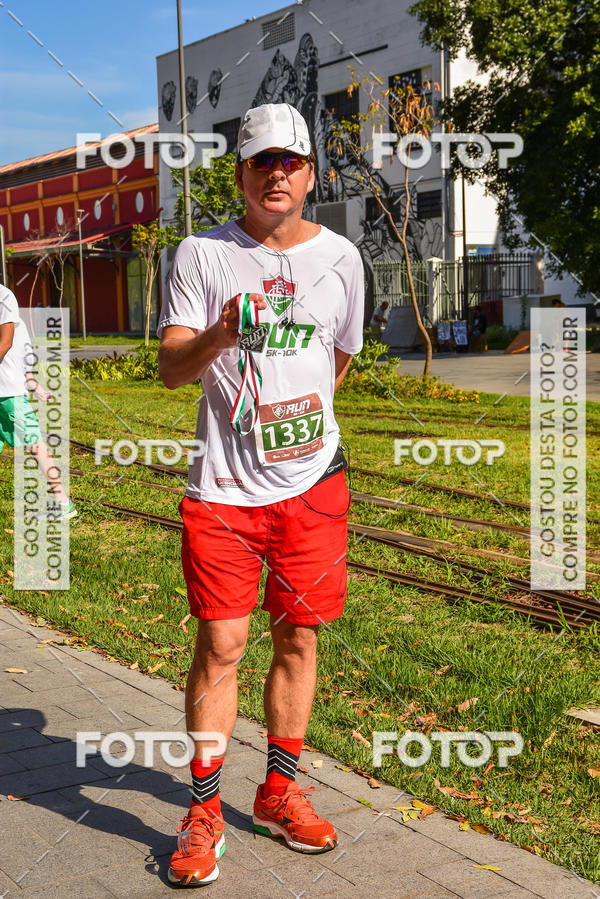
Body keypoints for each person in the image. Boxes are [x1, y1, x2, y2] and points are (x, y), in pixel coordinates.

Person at [157, 103, 364, 887]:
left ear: (311, 173)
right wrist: (220, 335)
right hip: (223, 490)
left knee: (299, 639)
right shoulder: (201, 255)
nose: (277, 173)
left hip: (313, 486)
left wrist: (297, 424)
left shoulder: (342, 257)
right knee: (221, 644)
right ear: (240, 173)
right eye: (261, 162)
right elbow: (174, 368)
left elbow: (338, 360)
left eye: (292, 161)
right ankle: (203, 809)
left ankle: (278, 789)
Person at [0, 284, 76, 518]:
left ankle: (63, 502)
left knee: (35, 444)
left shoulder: (3, 296)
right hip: (7, 389)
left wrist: (31, 381)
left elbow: (7, 344)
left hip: (8, 392)